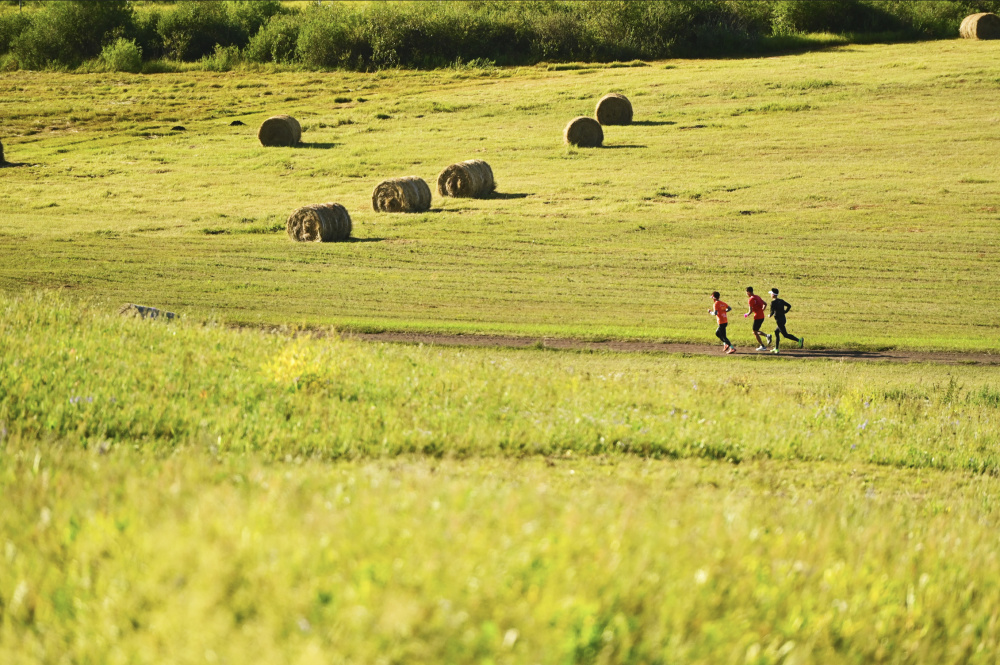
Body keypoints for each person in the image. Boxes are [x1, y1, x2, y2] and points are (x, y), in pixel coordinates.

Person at [767, 288, 803, 354]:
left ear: (773, 294)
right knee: (776, 332)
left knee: (785, 335)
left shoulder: (773, 302)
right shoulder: (781, 301)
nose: (770, 295)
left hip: (779, 321)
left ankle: (799, 340)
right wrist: (785, 312)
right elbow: (789, 306)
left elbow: (772, 312)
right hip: (783, 319)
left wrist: (769, 315)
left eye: (771, 294)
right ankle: (776, 348)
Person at [743, 286, 770, 351]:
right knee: (755, 331)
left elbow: (750, 310)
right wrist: (762, 309)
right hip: (762, 316)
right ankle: (767, 336)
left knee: (755, 332)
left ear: (749, 292)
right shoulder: (757, 297)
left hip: (757, 317)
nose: (746, 294)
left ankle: (762, 346)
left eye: (746, 292)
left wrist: (747, 314)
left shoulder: (751, 299)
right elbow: (765, 304)